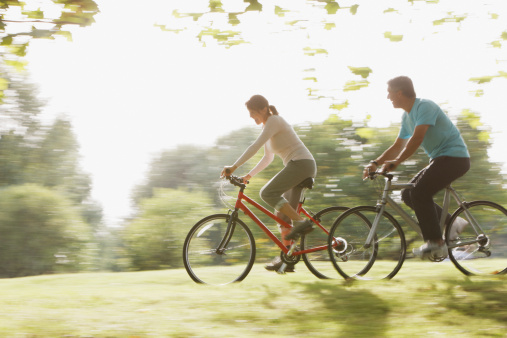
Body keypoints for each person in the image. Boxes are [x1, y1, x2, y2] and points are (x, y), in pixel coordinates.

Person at [363, 76, 471, 260]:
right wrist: (376, 162)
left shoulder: (425, 106)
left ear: (399, 92)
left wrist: (396, 162)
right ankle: (453, 222)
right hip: (440, 159)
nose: (388, 97)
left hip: (454, 158)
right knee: (407, 194)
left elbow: (417, 138)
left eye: (389, 93)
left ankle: (436, 242)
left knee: (420, 193)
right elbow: (398, 145)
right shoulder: (407, 116)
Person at [221, 94, 317, 272]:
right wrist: (248, 175)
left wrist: (233, 167)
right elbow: (267, 157)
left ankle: (301, 222)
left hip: (301, 164)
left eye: (252, 112)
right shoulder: (268, 126)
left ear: (263, 109)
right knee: (281, 216)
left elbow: (255, 146)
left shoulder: (274, 121)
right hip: (297, 166)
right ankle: (287, 260)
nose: (250, 116)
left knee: (267, 193)